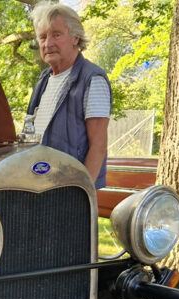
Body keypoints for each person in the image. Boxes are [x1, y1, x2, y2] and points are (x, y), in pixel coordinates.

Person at [27, 1, 112, 188]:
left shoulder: (92, 79)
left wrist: (81, 193)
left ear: (75, 38)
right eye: (42, 37)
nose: (48, 44)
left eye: (56, 35)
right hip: (41, 186)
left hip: (70, 193)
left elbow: (98, 147)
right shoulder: (44, 80)